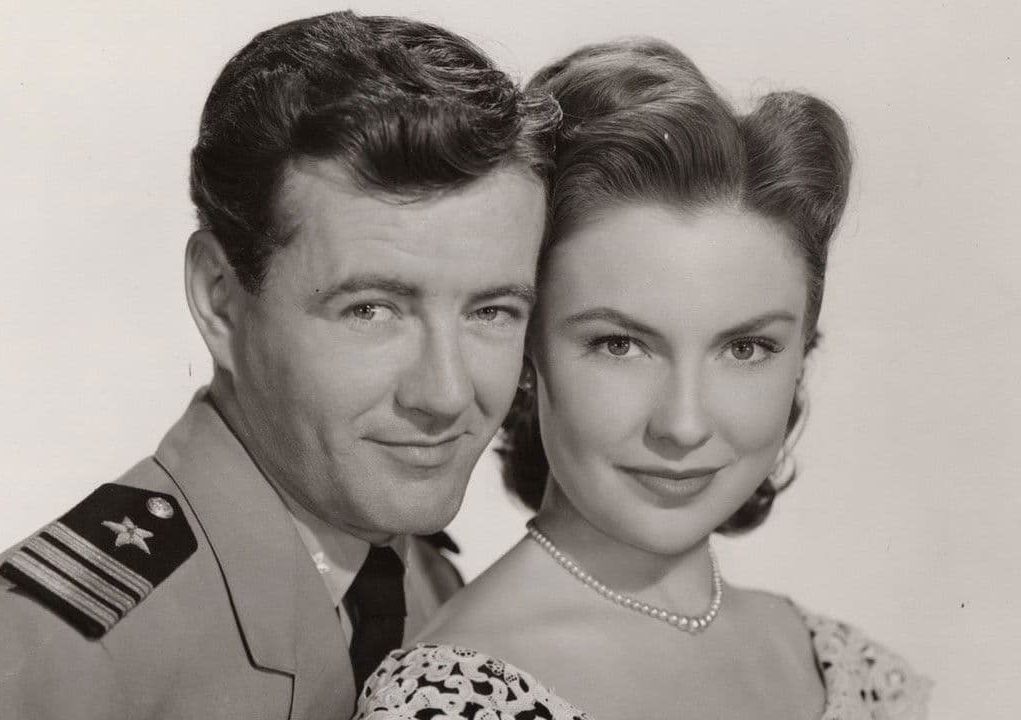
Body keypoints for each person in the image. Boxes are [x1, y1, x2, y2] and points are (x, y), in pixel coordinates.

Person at [0, 11, 558, 720]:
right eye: (371, 310)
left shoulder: (428, 590)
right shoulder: (36, 657)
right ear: (220, 299)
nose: (445, 393)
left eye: (491, 311)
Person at [355, 39, 930, 720]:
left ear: (802, 355)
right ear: (528, 352)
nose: (683, 425)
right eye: (620, 345)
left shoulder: (858, 673)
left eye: (746, 348)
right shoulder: (447, 702)